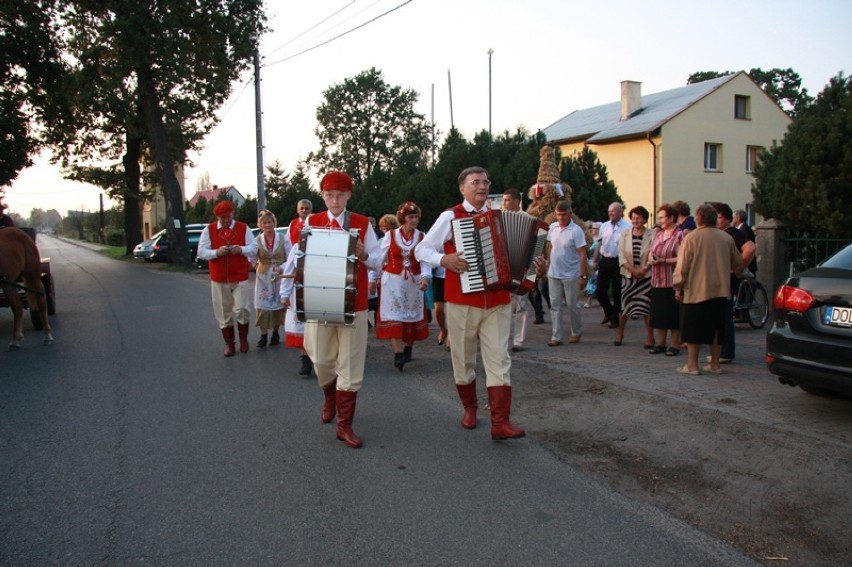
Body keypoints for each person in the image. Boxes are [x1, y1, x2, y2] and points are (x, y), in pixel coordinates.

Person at [415, 166, 525, 441]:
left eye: (486, 182)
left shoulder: (502, 218)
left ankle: (500, 422)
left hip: (498, 300)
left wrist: (535, 266)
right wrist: (444, 260)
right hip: (462, 301)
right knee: (463, 359)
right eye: (475, 182)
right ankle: (470, 407)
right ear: (462, 187)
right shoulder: (451, 216)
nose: (482, 186)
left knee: (500, 359)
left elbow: (521, 257)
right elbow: (422, 249)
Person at [280, 171, 380, 449]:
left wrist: (365, 254)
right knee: (321, 359)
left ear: (348, 196)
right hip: (318, 302)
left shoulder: (361, 223)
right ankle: (329, 395)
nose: (334, 200)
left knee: (350, 363)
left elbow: (380, 262)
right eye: (329, 195)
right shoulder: (312, 221)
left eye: (340, 195)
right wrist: (285, 291)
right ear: (322, 196)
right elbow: (295, 258)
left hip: (354, 304)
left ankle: (344, 425)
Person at [673, 204, 744, 375]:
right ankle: (715, 364)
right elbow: (739, 264)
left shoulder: (691, 238)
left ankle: (692, 366)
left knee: (693, 330)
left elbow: (682, 267)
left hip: (696, 290)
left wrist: (678, 287)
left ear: (698, 218)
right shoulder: (726, 238)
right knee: (717, 330)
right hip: (720, 291)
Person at [197, 200, 259, 356]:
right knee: (223, 312)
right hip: (219, 277)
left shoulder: (243, 228)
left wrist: (241, 249)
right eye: (222, 218)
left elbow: (254, 248)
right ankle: (229, 344)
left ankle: (243, 339)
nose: (225, 220)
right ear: (217, 217)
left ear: (233, 214)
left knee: (242, 309)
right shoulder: (209, 230)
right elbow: (201, 252)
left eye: (227, 216)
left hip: (239, 276)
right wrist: (216, 252)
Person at [375, 202, 431, 371]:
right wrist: (373, 277)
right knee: (394, 316)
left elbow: (425, 260)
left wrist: (425, 277)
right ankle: (398, 353)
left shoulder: (422, 237)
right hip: (392, 282)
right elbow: (379, 258)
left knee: (411, 316)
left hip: (413, 283)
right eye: (410, 217)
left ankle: (408, 347)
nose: (414, 220)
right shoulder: (390, 235)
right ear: (402, 218)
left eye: (416, 217)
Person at [714, 202, 756, 364]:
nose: (716, 221)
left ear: (727, 219)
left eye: (719, 218)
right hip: (723, 278)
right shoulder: (722, 234)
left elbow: (750, 248)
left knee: (725, 315)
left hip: (728, 279)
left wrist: (738, 268)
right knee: (721, 315)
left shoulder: (731, 233)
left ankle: (726, 352)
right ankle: (722, 351)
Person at [541, 200, 587, 346]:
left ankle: (576, 331)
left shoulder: (576, 231)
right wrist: (547, 264)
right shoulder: (552, 228)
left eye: (564, 215)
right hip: (554, 273)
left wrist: (583, 275)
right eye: (558, 215)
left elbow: (583, 254)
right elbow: (549, 247)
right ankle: (556, 336)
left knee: (572, 304)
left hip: (571, 274)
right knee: (555, 305)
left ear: (570, 214)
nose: (561, 218)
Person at [614, 206, 654, 348]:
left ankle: (650, 336)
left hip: (645, 276)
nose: (636, 221)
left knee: (646, 307)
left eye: (639, 218)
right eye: (633, 218)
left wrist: (644, 269)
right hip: (628, 276)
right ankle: (620, 332)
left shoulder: (652, 234)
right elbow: (621, 255)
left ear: (644, 219)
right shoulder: (625, 234)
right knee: (626, 307)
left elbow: (653, 254)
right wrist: (632, 270)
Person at [282, 199, 314, 375]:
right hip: (300, 292)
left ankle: (317, 358)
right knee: (302, 326)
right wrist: (284, 294)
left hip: (317, 292)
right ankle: (305, 360)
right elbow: (289, 271)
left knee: (316, 327)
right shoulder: (296, 248)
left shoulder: (322, 247)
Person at [648, 204, 684, 355]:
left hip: (672, 281)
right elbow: (651, 251)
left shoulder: (679, 235)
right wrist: (651, 258)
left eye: (662, 217)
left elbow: (682, 258)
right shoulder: (659, 234)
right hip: (657, 280)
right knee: (659, 314)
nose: (660, 220)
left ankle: (675, 344)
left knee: (673, 314)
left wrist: (663, 261)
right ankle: (661, 343)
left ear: (671, 218)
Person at [252, 209, 289, 348]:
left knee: (279, 305)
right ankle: (263, 335)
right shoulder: (257, 240)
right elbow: (251, 256)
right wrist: (255, 265)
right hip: (263, 276)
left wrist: (282, 267)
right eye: (264, 223)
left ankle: (275, 332)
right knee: (262, 305)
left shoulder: (283, 238)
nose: (267, 225)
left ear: (274, 223)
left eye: (270, 222)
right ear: (260, 225)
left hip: (279, 275)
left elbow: (290, 256)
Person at [502, 188, 531, 351]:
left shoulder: (529, 220)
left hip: (522, 268)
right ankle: (504, 338)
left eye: (507, 200)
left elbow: (537, 244)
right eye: (504, 200)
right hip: (504, 267)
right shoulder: (498, 219)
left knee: (521, 305)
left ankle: (518, 340)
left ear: (516, 201)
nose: (504, 203)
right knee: (504, 304)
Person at [593, 202, 630, 328]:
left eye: (613, 211)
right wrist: (595, 261)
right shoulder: (604, 226)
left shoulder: (627, 226)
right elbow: (600, 244)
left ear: (620, 212)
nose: (610, 213)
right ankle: (609, 312)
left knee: (616, 291)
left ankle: (616, 319)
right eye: (609, 211)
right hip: (605, 260)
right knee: (599, 290)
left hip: (618, 261)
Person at [582, 222, 600, 308]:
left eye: (594, 228)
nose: (592, 229)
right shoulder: (591, 239)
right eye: (592, 228)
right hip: (588, 263)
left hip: (596, 263)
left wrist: (596, 263)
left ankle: (589, 300)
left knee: (592, 281)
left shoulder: (600, 241)